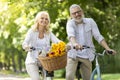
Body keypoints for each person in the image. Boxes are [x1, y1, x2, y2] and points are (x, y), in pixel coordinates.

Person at [66, 4, 116, 80]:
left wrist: (107, 48)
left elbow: (98, 36)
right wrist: (75, 44)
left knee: (88, 78)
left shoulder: (90, 21)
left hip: (87, 54)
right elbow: (71, 36)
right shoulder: (70, 23)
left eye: (78, 12)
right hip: (73, 54)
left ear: (82, 11)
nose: (77, 14)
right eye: (74, 13)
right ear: (71, 15)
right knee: (69, 76)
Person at [22, 11, 61, 80]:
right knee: (36, 79)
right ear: (37, 20)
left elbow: (57, 41)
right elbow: (25, 43)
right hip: (32, 60)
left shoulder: (49, 33)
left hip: (46, 61)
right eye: (42, 18)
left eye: (46, 19)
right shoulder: (31, 31)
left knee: (49, 78)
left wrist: (65, 46)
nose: (44, 20)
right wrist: (26, 47)